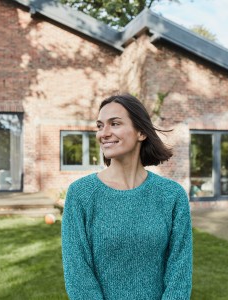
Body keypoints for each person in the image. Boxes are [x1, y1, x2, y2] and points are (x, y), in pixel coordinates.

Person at [61, 93, 193, 300]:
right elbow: (78, 274)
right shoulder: (81, 194)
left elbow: (180, 270)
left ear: (141, 132)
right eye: (99, 126)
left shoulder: (171, 195)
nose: (103, 133)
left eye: (114, 124)